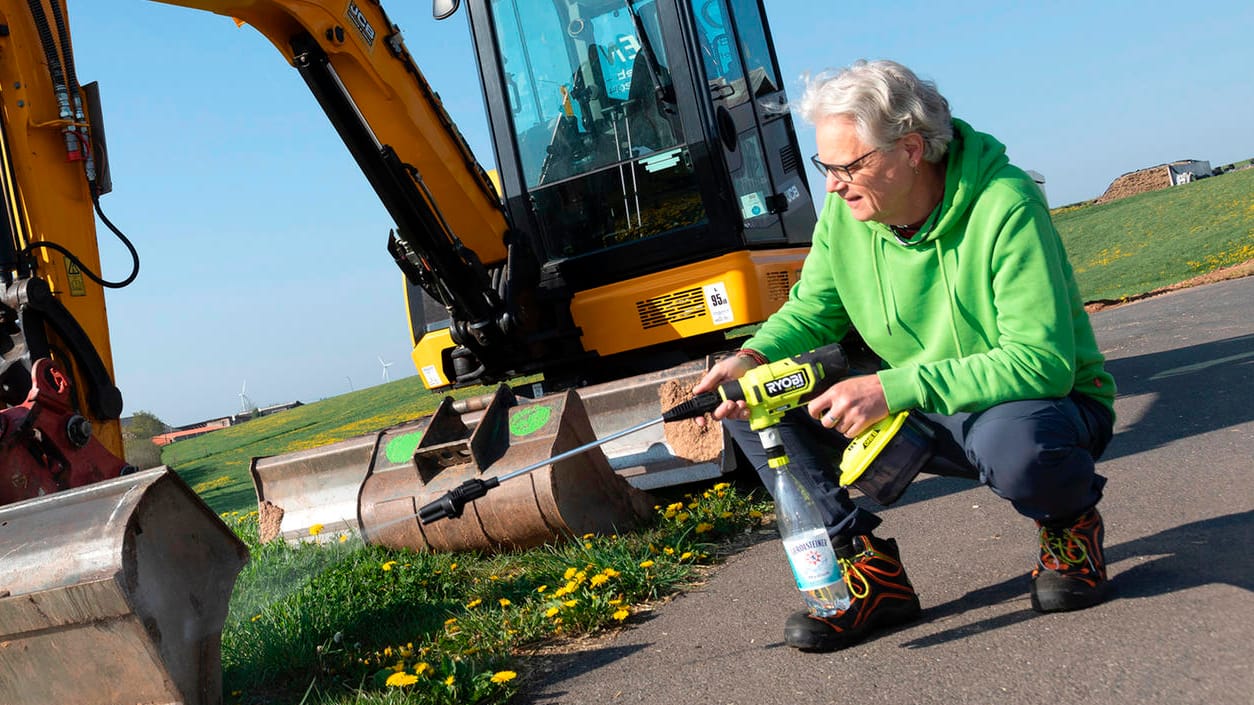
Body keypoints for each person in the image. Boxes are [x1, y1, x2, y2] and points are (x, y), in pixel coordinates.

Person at [693, 59, 1116, 653]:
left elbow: (1040, 363)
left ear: (912, 149)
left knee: (1014, 446)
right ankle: (867, 574)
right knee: (757, 399)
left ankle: (1069, 525)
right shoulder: (848, 213)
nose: (833, 185)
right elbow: (814, 307)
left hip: (1040, 406)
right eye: (825, 167)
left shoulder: (1005, 204)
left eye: (848, 166)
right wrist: (754, 356)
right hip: (926, 401)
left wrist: (890, 389)